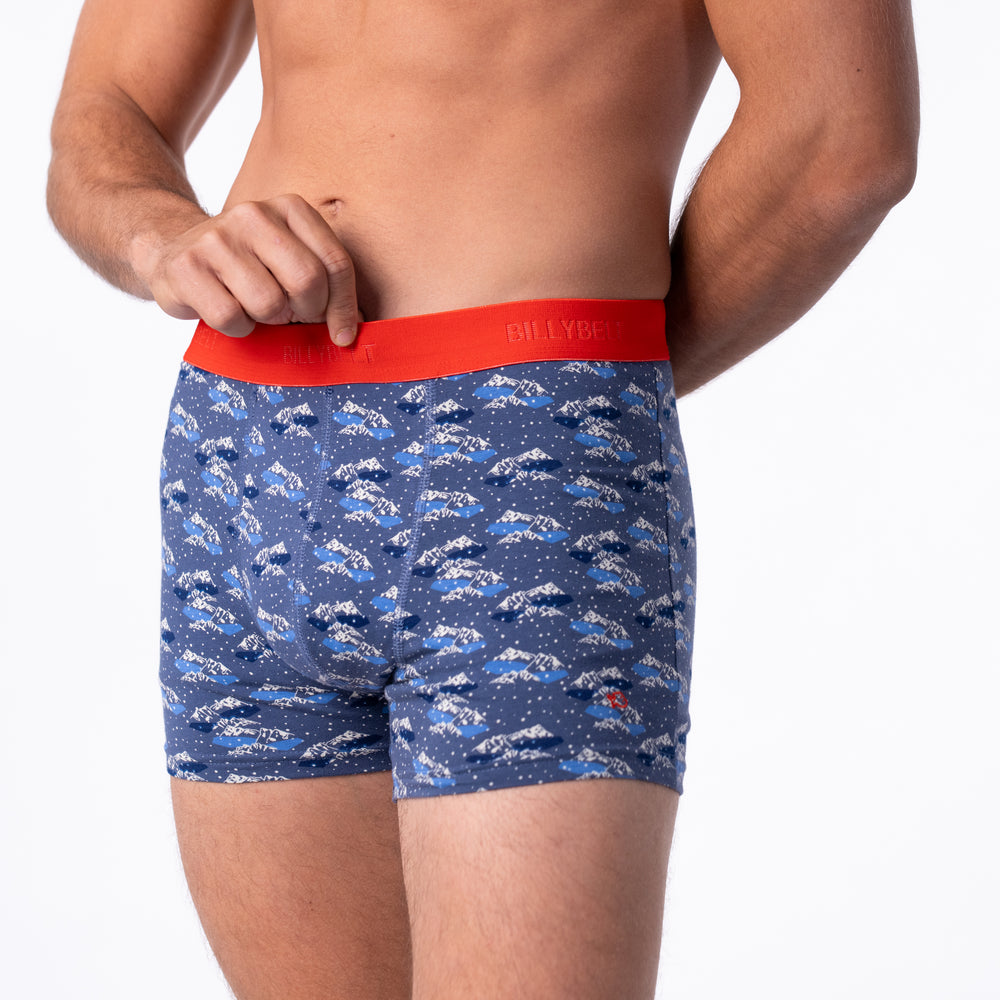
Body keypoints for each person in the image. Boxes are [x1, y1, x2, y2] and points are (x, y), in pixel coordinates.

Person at [47, 1, 919, 997]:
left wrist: (575, 391)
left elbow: (841, 135)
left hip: (526, 450)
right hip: (241, 448)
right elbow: (107, 107)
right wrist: (160, 234)